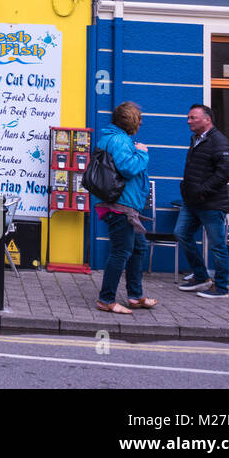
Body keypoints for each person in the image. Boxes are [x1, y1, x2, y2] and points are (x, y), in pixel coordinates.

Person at [95, 101, 156, 314]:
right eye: (139, 119)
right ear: (132, 121)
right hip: (120, 206)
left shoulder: (111, 138)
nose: (140, 123)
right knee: (121, 251)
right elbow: (128, 168)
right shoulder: (120, 140)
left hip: (124, 205)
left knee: (138, 248)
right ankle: (106, 299)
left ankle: (135, 296)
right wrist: (142, 153)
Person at [176, 104, 229, 298]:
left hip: (211, 203)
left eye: (193, 118)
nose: (188, 121)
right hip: (192, 201)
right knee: (181, 234)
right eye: (189, 117)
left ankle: (221, 288)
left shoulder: (219, 141)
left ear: (207, 119)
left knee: (217, 245)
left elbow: (225, 172)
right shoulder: (197, 139)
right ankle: (201, 277)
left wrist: (203, 191)